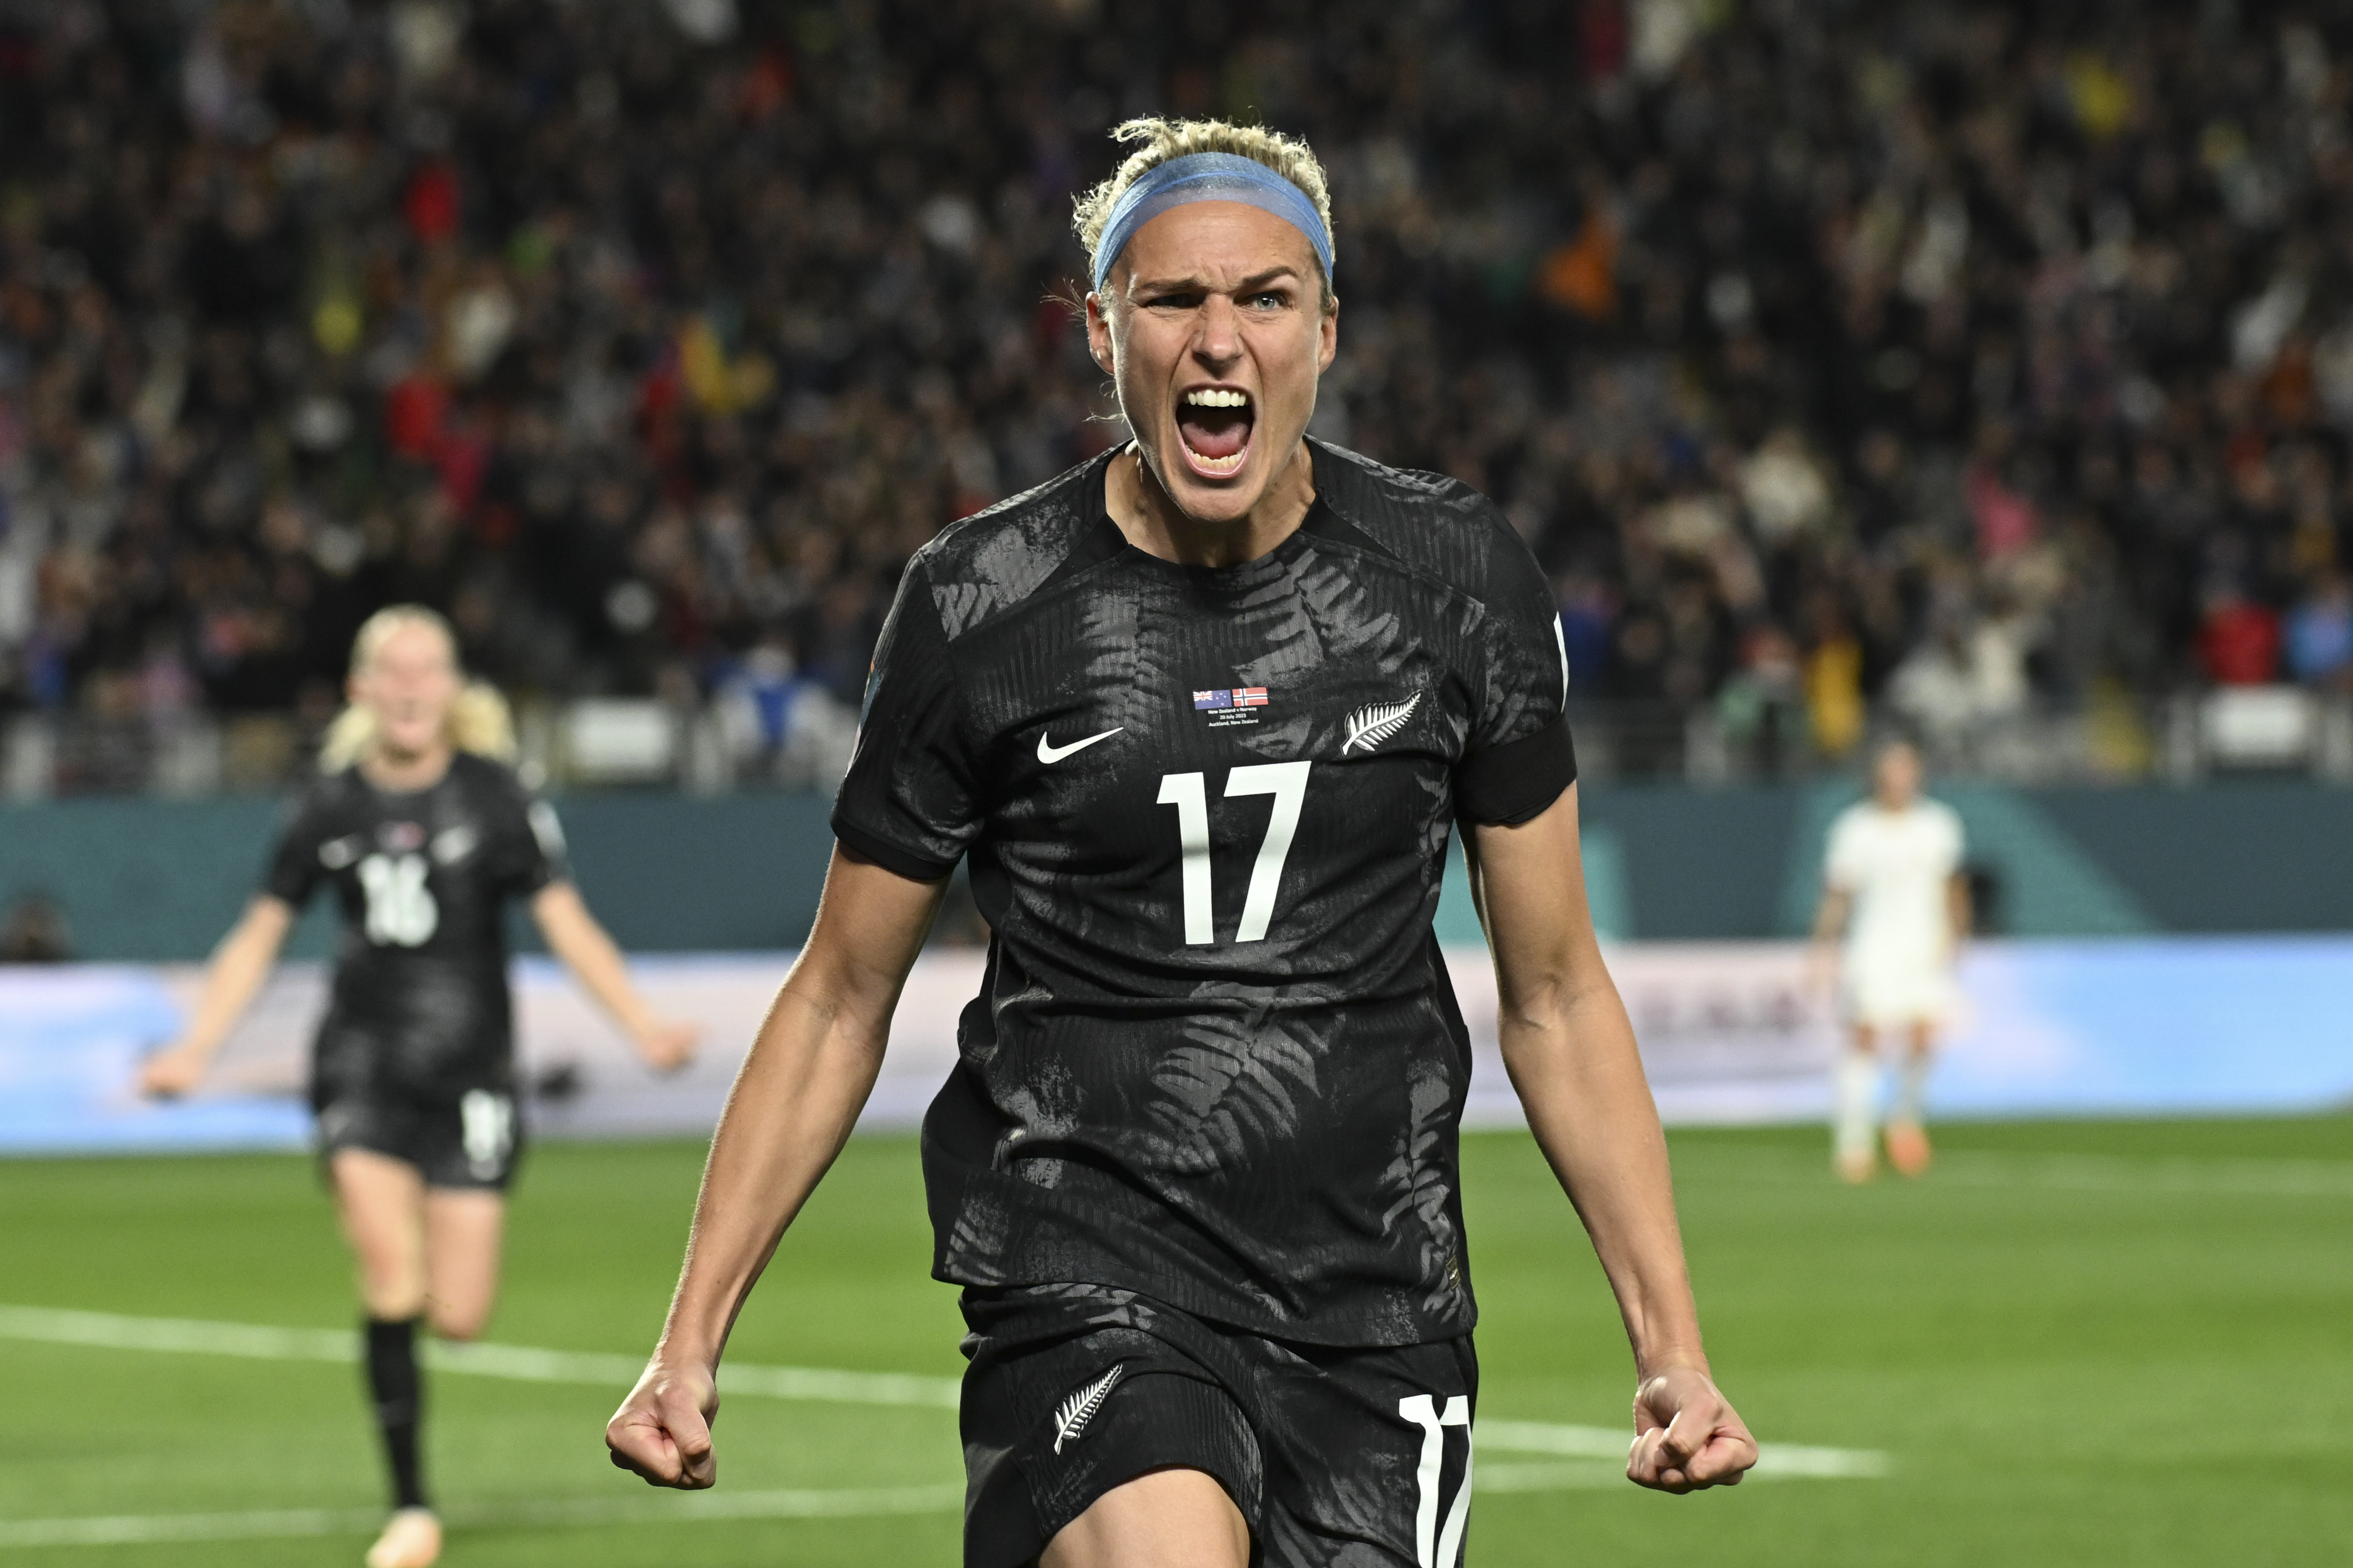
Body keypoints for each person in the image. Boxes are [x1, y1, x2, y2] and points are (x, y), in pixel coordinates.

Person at [605, 117, 1755, 1567]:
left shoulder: (1454, 582)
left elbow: (1556, 992)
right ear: (1101, 329)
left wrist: (1672, 1349)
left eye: (1265, 298)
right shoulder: (982, 607)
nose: (1220, 341)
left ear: (1325, 329)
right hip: (1087, 1274)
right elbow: (841, 992)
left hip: (1378, 1299)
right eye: (1171, 300)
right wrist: (687, 1341)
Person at [140, 605, 699, 1568]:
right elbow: (259, 936)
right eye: (389, 671)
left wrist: (641, 1024)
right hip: (360, 1068)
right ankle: (411, 1509)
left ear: (452, 689)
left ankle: (415, 1448)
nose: (408, 686)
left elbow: (567, 922)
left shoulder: (497, 796)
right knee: (389, 1276)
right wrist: (196, 1047)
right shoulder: (327, 804)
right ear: (361, 690)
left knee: (461, 1313)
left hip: (472, 1078)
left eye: (426, 669)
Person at [1809, 738, 1970, 1183]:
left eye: (1907, 772)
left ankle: (1904, 1121)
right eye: (1891, 772)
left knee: (1923, 1037)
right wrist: (1821, 949)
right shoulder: (1855, 828)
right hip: (1873, 949)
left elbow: (1952, 885)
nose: (1899, 781)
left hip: (1923, 948)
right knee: (1864, 1037)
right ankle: (1854, 1141)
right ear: (1877, 777)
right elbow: (1837, 895)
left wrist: (1958, 934)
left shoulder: (1937, 824)